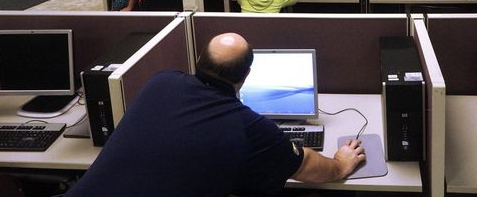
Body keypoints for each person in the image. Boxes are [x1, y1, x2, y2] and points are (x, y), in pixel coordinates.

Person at [65, 33, 364, 197]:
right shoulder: (248, 126)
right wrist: (339, 165)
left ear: (198, 60)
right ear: (245, 76)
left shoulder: (160, 81)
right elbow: (308, 166)